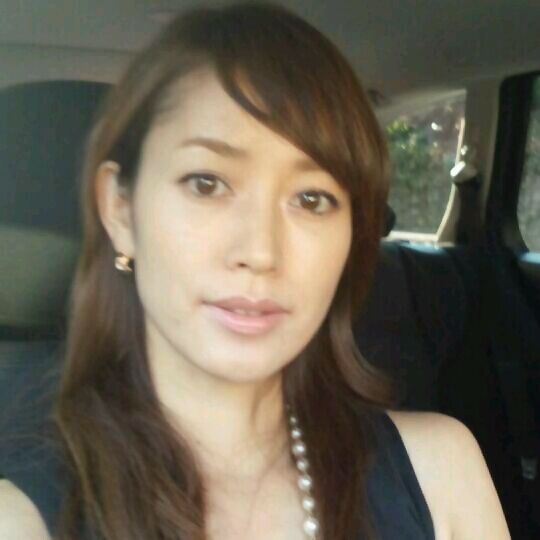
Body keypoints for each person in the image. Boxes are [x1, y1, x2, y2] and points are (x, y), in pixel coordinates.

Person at [0, 2, 511, 539]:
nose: (261, 251)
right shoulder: (22, 521)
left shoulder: (441, 476)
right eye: (207, 184)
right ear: (121, 211)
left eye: (312, 199)